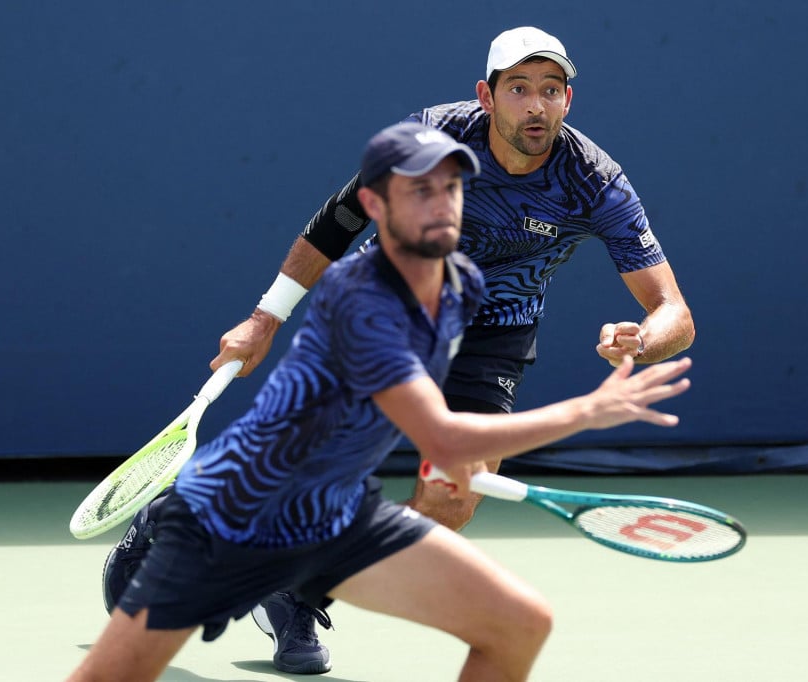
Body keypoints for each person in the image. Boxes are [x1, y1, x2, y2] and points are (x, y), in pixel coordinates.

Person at [151, 25, 695, 674]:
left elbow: (674, 313)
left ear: (567, 102)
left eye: (551, 90)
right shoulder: (431, 140)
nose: (535, 105)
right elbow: (337, 223)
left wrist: (643, 338)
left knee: (452, 500)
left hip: (497, 331)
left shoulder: (595, 182)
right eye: (518, 88)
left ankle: (295, 590)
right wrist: (264, 319)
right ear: (486, 97)